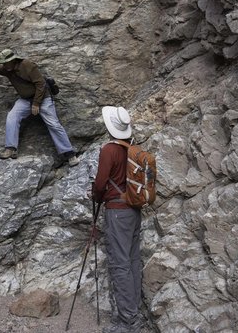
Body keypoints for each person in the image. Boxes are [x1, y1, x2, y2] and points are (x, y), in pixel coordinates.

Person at [90, 106, 145, 333]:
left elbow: (101, 184)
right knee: (132, 260)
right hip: (134, 209)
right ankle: (136, 312)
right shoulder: (132, 149)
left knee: (120, 264)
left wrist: (93, 194)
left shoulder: (109, 150)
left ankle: (127, 322)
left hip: (117, 211)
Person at [0, 49, 76, 166]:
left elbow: (41, 84)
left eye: (5, 62)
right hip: (25, 100)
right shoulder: (7, 69)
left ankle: (69, 154)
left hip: (43, 99)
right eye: (2, 63)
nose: (3, 65)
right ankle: (11, 148)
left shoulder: (27, 65)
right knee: (12, 116)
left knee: (53, 124)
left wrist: (36, 103)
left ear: (13, 60)